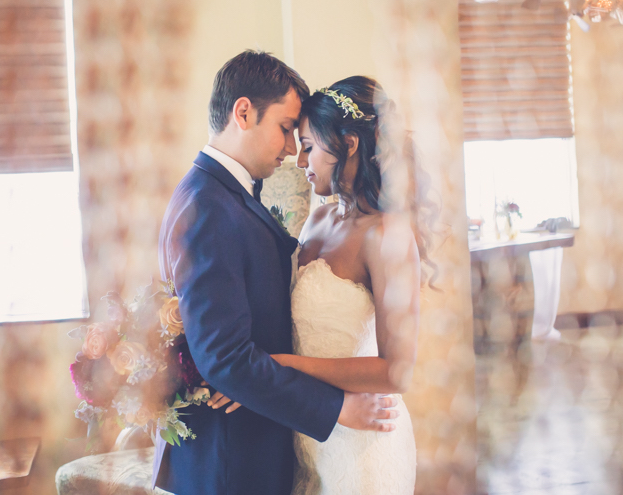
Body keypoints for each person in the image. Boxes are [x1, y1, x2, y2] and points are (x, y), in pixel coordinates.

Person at [153, 53, 398, 495]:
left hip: (268, 439)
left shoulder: (222, 193)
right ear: (243, 112)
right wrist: (335, 408)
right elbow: (226, 360)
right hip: (231, 459)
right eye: (286, 129)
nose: (291, 150)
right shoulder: (210, 206)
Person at [210, 76, 433, 494]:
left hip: (363, 441)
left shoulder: (389, 236)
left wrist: (287, 365)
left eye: (309, 147)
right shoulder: (317, 220)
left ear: (349, 143)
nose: (299, 161)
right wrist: (250, 375)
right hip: (307, 432)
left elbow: (398, 371)